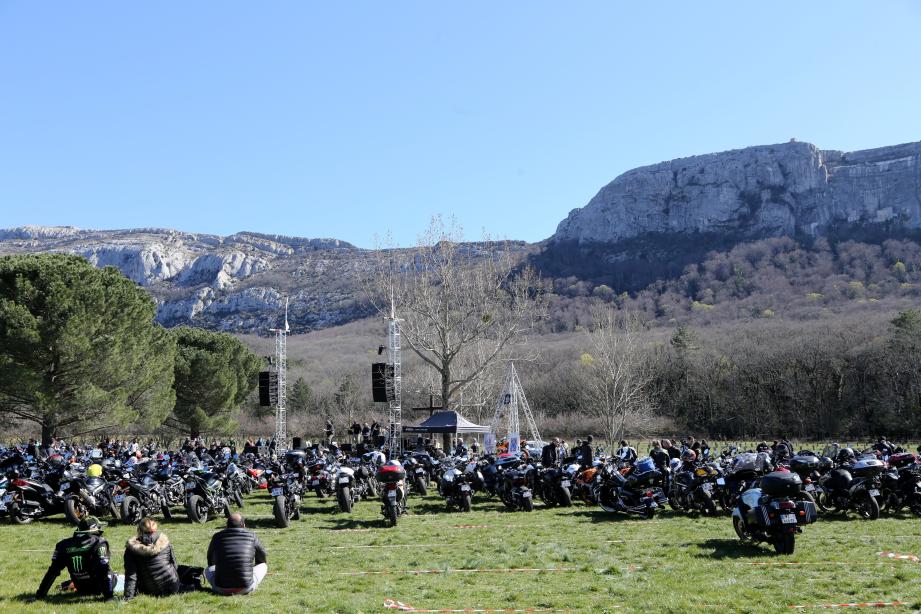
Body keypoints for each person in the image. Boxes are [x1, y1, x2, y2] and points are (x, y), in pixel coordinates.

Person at [36, 516, 118, 601]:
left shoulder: (62, 545)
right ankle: (108, 595)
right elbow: (103, 568)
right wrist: (109, 597)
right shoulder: (99, 542)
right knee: (109, 571)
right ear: (93, 528)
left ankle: (65, 585)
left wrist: (40, 594)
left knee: (54, 570)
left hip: (81, 588)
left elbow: (52, 572)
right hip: (97, 588)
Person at [124, 518, 200, 601]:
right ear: (155, 529)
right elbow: (174, 565)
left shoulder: (131, 549)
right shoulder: (165, 542)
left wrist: (128, 598)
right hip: (174, 586)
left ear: (139, 530)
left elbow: (131, 576)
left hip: (150, 591)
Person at [206, 513, 268, 595]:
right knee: (264, 566)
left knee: (207, 569)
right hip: (245, 588)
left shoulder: (217, 536)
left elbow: (210, 559)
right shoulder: (252, 536)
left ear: (227, 525)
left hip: (220, 588)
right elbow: (262, 557)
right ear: (244, 525)